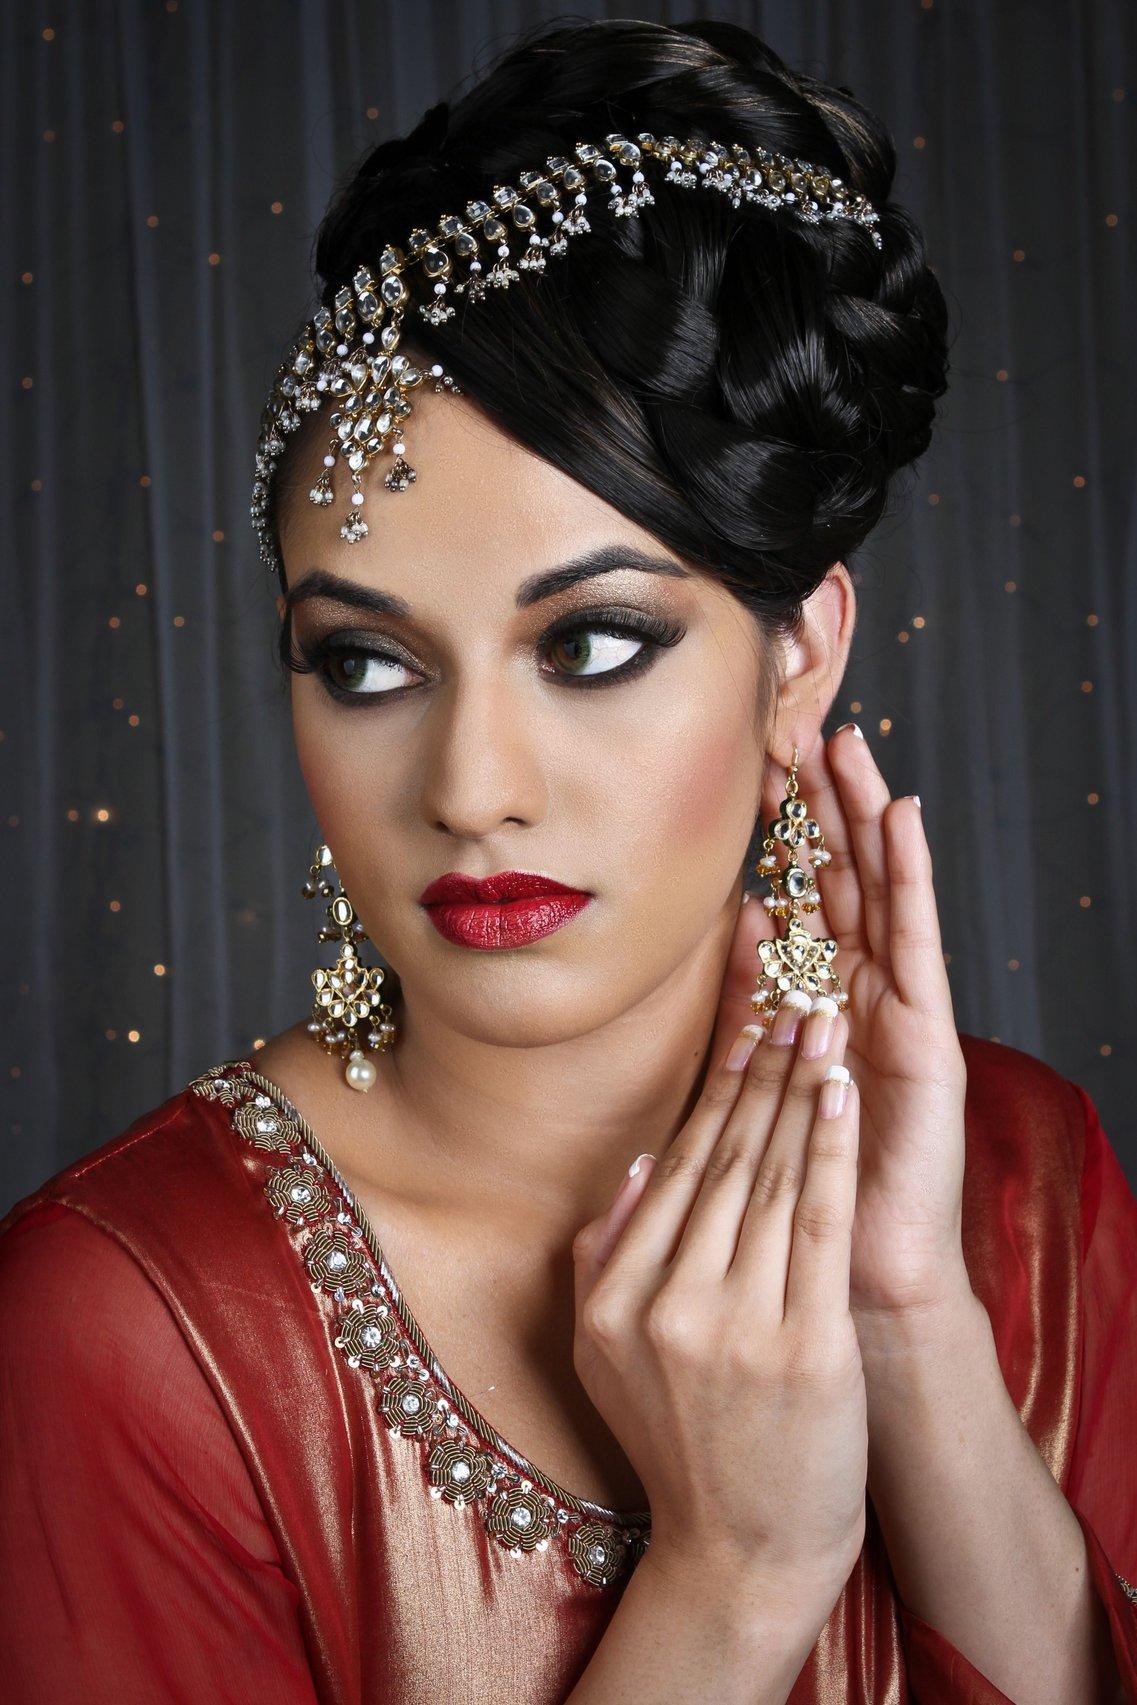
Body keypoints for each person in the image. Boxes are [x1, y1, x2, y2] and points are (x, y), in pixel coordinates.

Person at [1, 15, 1135, 1703]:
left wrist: (913, 1330)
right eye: (367, 663)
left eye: (590, 645)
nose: (469, 787)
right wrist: (733, 1579)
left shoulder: (1018, 1178)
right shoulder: (129, 1327)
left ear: (797, 658)